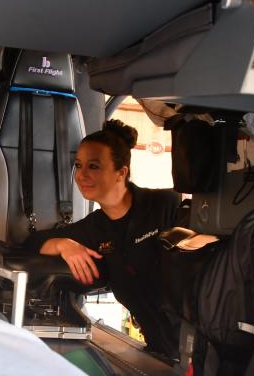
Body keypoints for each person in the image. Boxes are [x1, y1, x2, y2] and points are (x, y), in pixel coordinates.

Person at [27, 119, 183, 359]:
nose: (81, 175)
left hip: (203, 349)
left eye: (94, 166)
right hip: (161, 353)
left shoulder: (165, 206)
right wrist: (63, 244)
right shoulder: (93, 229)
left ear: (121, 172)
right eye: (78, 165)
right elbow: (30, 243)